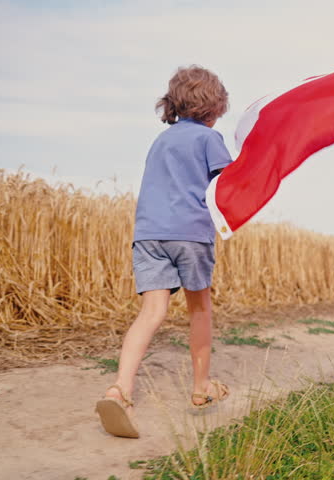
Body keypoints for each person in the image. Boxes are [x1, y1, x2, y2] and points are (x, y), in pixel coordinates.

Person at [95, 65, 233, 438]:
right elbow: (228, 184)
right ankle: (201, 387)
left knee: (152, 311)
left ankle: (120, 390)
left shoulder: (161, 141)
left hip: (149, 234)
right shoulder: (209, 139)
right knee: (199, 308)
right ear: (215, 106)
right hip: (190, 234)